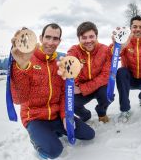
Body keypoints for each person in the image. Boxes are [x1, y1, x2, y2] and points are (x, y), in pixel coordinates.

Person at [10, 23, 95, 159]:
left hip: (55, 116)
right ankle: (37, 139)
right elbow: (19, 99)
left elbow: (63, 95)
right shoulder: (26, 60)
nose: (50, 42)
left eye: (55, 39)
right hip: (35, 118)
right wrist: (21, 66)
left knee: (89, 134)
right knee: (54, 151)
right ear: (41, 38)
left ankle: (54, 132)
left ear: (59, 41)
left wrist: (65, 117)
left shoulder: (60, 64)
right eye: (47, 37)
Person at [58, 21, 112, 123]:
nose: (88, 40)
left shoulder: (104, 50)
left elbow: (105, 75)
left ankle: (101, 112)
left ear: (96, 36)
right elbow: (70, 67)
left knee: (108, 95)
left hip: (99, 87)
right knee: (70, 102)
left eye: (91, 36)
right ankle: (85, 115)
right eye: (84, 37)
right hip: (81, 87)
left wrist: (83, 88)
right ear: (79, 38)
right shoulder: (74, 51)